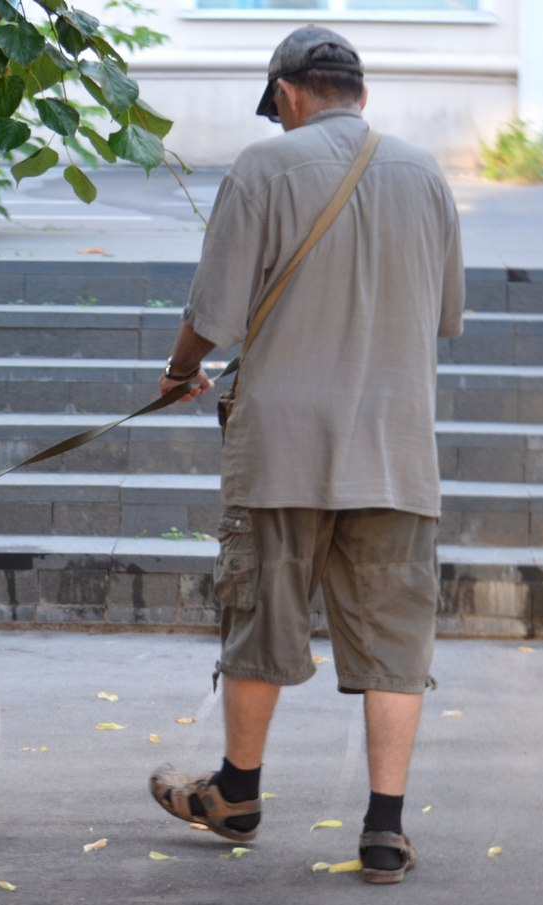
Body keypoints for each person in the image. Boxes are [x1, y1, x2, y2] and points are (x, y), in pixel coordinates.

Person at [147, 25, 464, 885]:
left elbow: (213, 307)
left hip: (283, 449)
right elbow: (444, 314)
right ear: (358, 92)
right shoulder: (427, 173)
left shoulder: (262, 167)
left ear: (287, 94)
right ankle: (385, 831)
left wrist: (181, 372)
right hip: (397, 452)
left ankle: (238, 795)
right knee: (397, 643)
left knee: (262, 620)